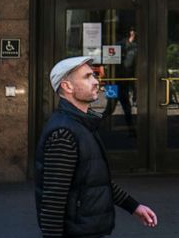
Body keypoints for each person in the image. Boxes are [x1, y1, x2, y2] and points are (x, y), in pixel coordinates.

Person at [36, 55, 158, 237]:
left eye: (94, 75)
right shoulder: (64, 133)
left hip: (89, 229)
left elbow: (96, 181)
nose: (96, 81)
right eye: (87, 77)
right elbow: (53, 200)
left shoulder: (83, 124)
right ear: (67, 86)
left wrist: (134, 206)